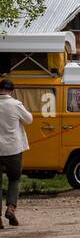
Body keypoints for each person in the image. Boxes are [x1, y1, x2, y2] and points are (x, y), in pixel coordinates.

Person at [0, 78, 33, 229]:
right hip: (13, 150)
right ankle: (11, 208)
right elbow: (29, 120)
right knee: (15, 179)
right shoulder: (15, 105)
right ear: (12, 91)